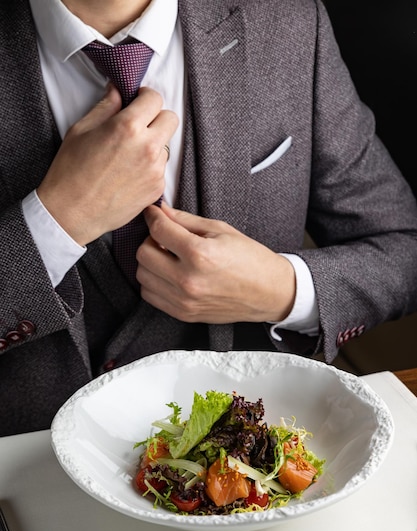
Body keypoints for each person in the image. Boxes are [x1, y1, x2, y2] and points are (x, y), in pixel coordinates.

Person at [1, 0, 417, 436]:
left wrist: (280, 288)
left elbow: (402, 248)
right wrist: (55, 222)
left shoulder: (288, 19)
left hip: (255, 471)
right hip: (21, 469)